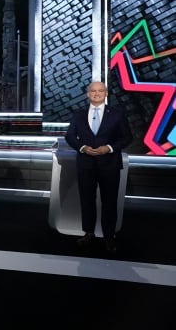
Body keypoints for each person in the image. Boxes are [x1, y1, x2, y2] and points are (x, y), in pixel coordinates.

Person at [65, 81, 132, 252]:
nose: (96, 94)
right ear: (88, 94)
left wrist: (108, 148)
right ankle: (88, 233)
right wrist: (82, 147)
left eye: (100, 91)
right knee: (87, 200)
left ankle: (109, 236)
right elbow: (70, 136)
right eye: (93, 91)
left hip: (109, 164)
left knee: (109, 201)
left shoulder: (117, 114)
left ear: (106, 93)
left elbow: (127, 138)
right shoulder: (78, 115)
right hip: (85, 164)